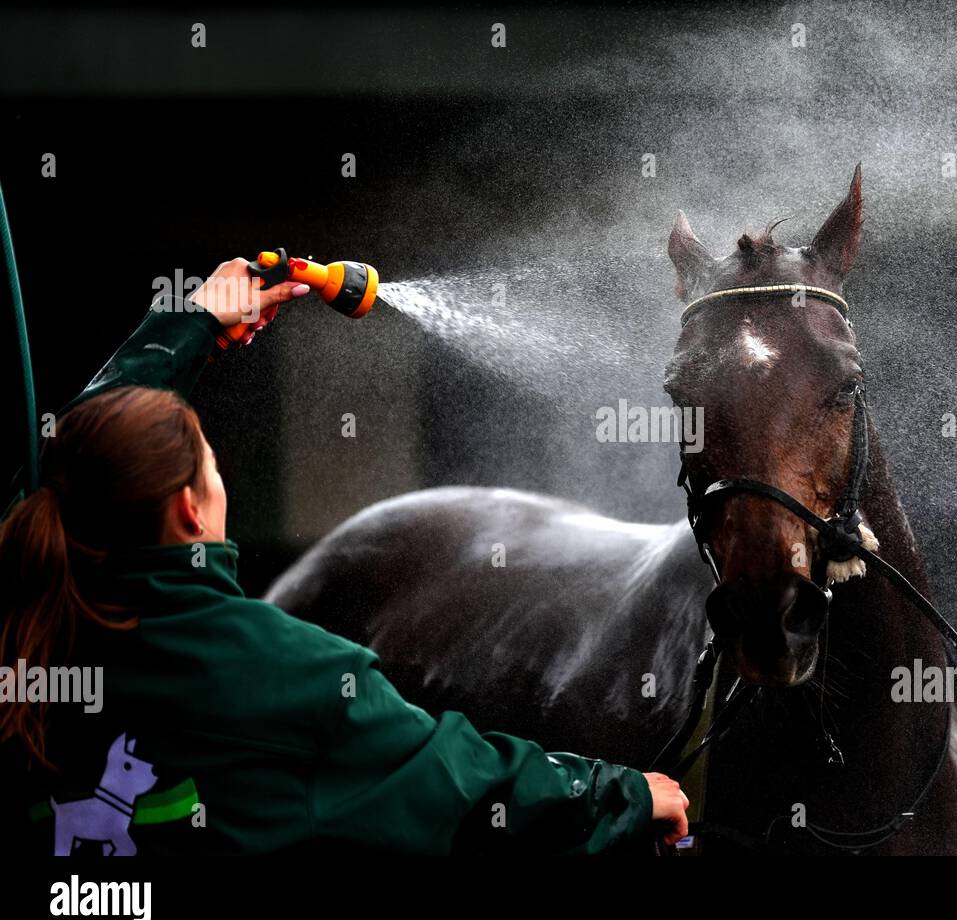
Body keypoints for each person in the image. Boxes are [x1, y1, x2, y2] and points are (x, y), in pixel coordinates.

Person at [0, 259, 689, 855]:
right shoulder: (284, 669)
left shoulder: (28, 604)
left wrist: (191, 321)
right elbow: (458, 780)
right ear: (188, 506)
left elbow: (76, 457)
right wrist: (620, 794)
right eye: (213, 467)